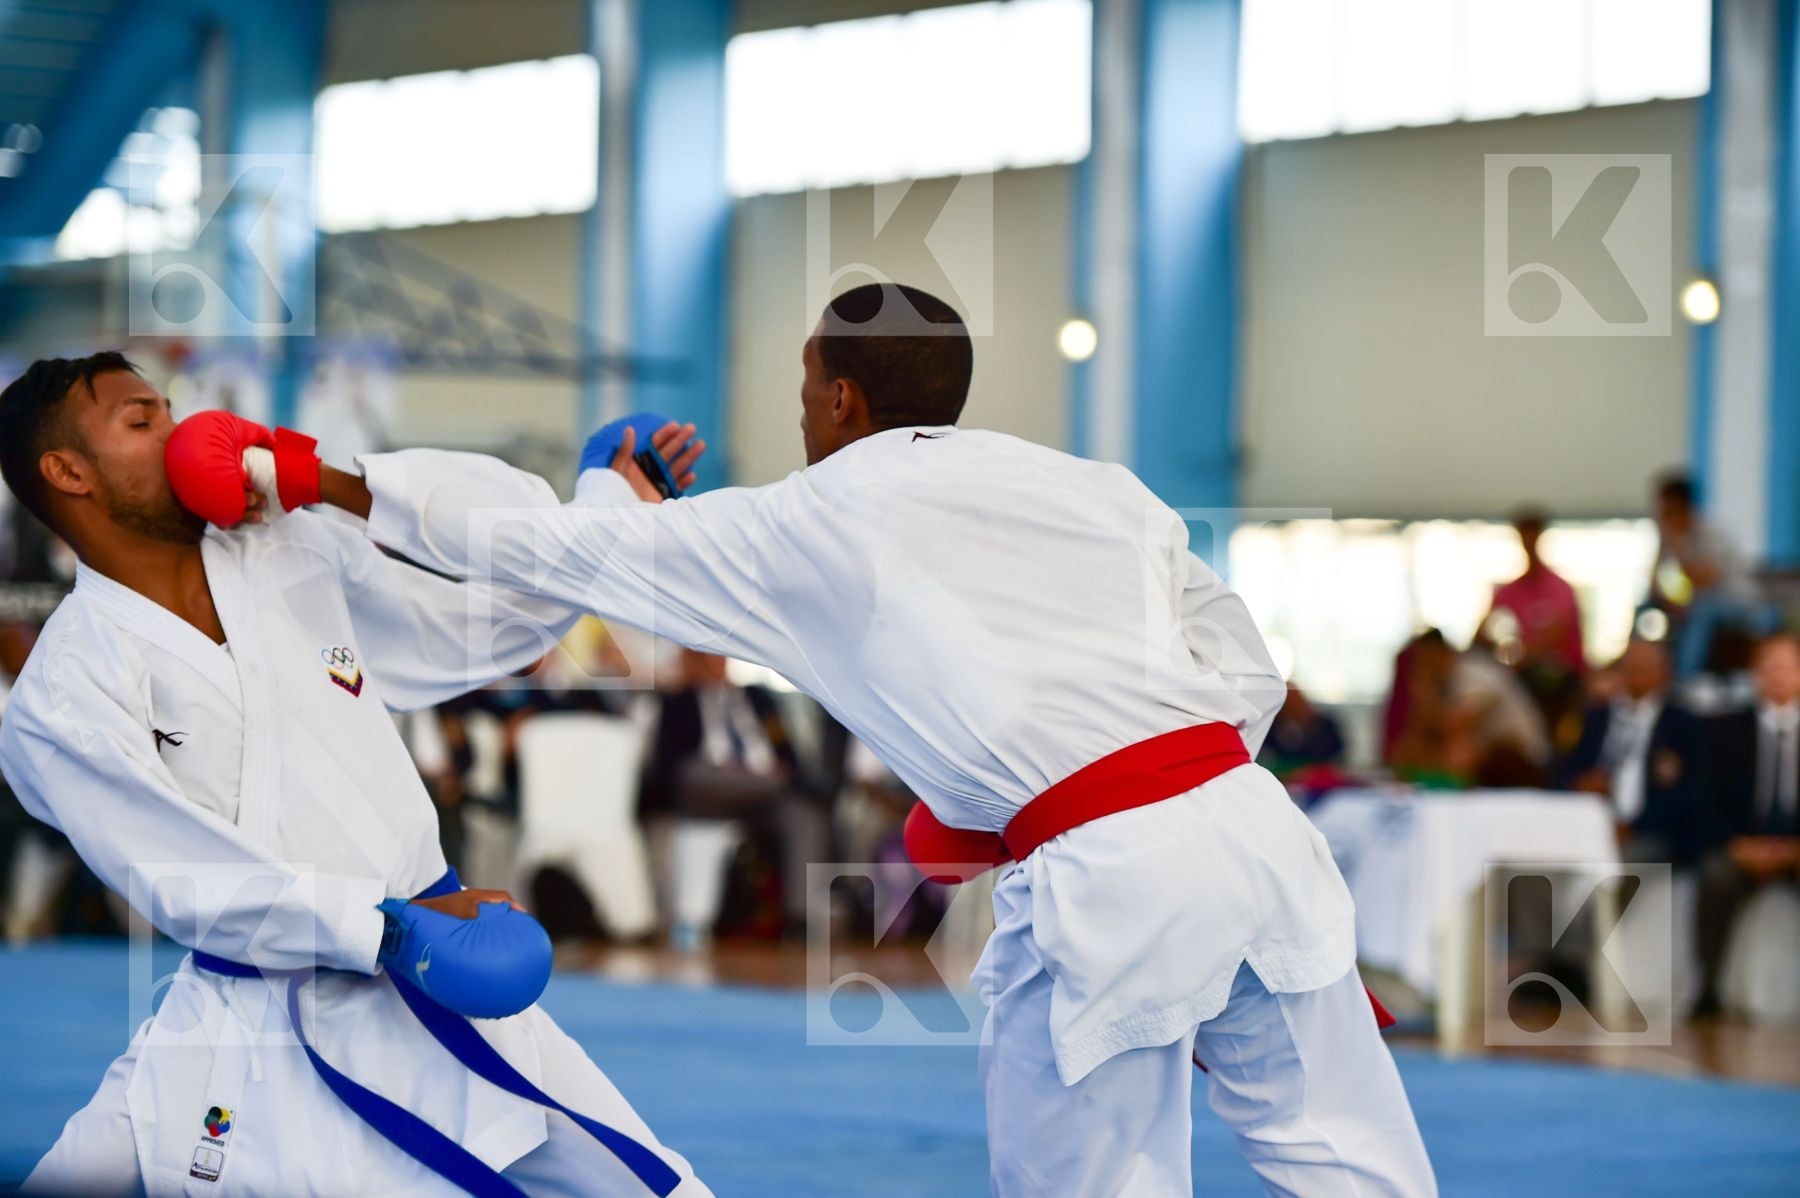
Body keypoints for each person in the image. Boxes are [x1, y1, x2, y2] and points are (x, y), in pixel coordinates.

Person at [264, 284, 1435, 1196]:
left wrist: (322, 475)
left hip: (1110, 881)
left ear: (840, 400)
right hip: (1254, 834)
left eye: (804, 384)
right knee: (1349, 1151)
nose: (800, 409)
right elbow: (1245, 668)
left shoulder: (815, 516)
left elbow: (544, 551)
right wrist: (1086, 797)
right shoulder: (1100, 488)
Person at [0, 354, 710, 1196]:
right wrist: (389, 928)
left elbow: (483, 627)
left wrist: (604, 511)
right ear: (68, 472)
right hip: (265, 1015)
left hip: (442, 963)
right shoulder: (64, 692)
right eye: (141, 420)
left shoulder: (283, 541)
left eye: (170, 408)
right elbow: (184, 877)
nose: (183, 432)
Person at [1692, 631, 1800, 1019]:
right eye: (1769, 667)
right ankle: (1708, 988)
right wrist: (1737, 844)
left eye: (1787, 667)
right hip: (1742, 845)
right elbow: (1705, 799)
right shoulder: (1724, 730)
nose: (1778, 676)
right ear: (1755, 675)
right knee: (1715, 876)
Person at [1554, 636, 1701, 864]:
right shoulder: (1595, 718)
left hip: (1651, 832)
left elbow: (1688, 794)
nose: (1636, 673)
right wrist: (1579, 783)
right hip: (1588, 823)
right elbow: (1560, 771)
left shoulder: (1681, 725)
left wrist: (1632, 827)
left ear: (1664, 673)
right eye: (1630, 666)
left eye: (1644, 667)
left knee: (1617, 861)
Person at [1649, 474, 1766, 678]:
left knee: (1702, 609)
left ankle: (1685, 679)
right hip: (1699, 601)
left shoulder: (1709, 530)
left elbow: (1705, 580)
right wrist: (1671, 603)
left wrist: (1676, 544)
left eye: (1664, 504)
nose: (1660, 511)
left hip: (1738, 602)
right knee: (1645, 606)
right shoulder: (1668, 533)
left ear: (1680, 504)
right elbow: (1653, 583)